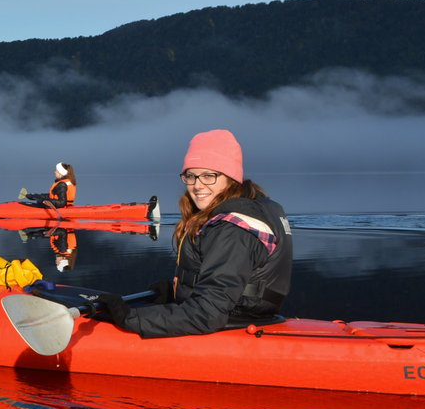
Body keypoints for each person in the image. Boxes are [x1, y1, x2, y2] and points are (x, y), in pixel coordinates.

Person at [97, 129, 291, 337]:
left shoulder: (232, 229)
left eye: (209, 176)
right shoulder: (255, 207)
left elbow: (208, 314)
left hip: (231, 323)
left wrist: (131, 319)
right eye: (191, 176)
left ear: (231, 178)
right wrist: (175, 294)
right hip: (249, 316)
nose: (197, 185)